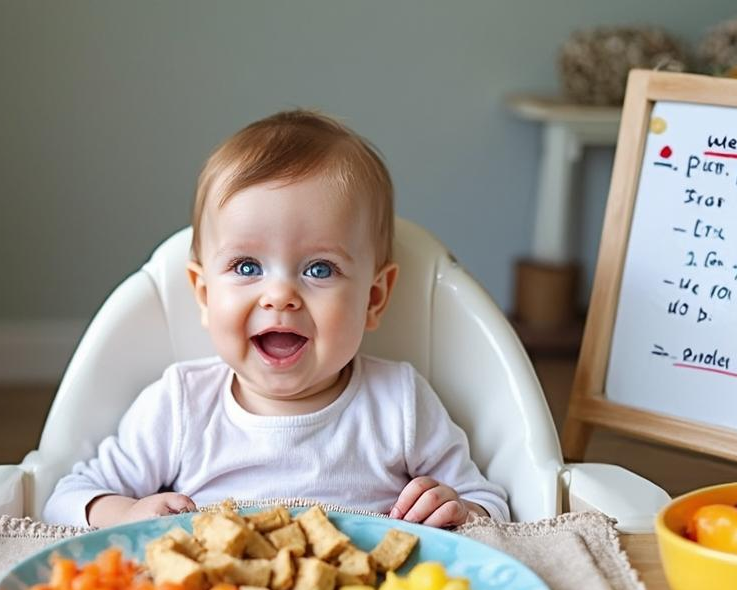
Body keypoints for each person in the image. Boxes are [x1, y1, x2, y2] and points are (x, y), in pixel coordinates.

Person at [43, 109, 509, 529]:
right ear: (204, 294)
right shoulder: (181, 407)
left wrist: (459, 510)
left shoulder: (400, 405)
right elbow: (65, 498)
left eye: (319, 269)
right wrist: (125, 511)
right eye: (247, 267)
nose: (281, 295)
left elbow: (491, 503)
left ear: (373, 297)